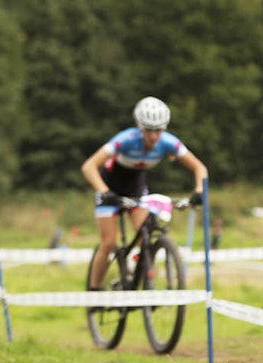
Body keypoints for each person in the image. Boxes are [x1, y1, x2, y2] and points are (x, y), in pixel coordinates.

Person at [81, 97, 208, 290]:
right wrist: (104, 191)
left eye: (159, 130)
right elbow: (89, 166)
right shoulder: (126, 139)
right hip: (109, 186)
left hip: (135, 188)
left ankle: (133, 269)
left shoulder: (168, 143)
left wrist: (199, 191)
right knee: (108, 242)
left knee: (145, 234)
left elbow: (199, 167)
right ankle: (95, 288)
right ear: (139, 127)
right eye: (149, 130)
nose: (154, 136)